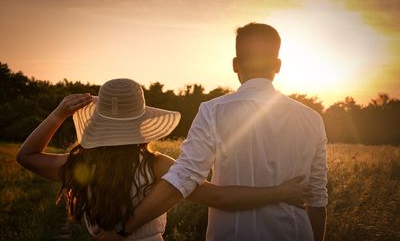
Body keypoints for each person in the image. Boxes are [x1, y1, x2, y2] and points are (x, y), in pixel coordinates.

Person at [16, 78, 309, 241]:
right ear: (142, 122)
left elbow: (27, 156)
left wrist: (58, 114)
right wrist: (281, 192)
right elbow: (220, 197)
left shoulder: (79, 164)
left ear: (98, 122)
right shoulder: (157, 165)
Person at [123, 23, 329, 241]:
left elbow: (184, 178)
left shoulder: (213, 111)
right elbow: (317, 201)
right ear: (278, 65)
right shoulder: (312, 119)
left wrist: (123, 230)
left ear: (235, 64)